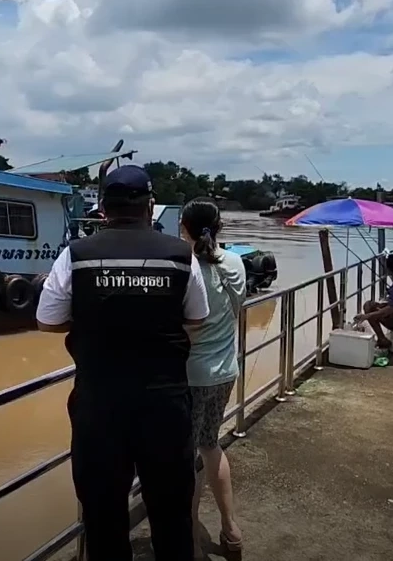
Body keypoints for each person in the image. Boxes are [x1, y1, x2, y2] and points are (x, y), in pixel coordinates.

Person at [36, 165, 210, 561]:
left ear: (102, 207)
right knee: (171, 514)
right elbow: (198, 319)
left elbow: (47, 321)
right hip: (165, 404)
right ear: (150, 205)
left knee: (103, 516)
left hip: (99, 404)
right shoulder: (181, 255)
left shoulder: (76, 255)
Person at [178, 198, 245, 557]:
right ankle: (231, 529)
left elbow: (183, 325)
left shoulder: (183, 267)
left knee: (185, 457)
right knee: (211, 445)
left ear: (183, 227)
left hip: (190, 375)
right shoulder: (235, 262)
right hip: (225, 370)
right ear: (218, 227)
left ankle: (190, 538)